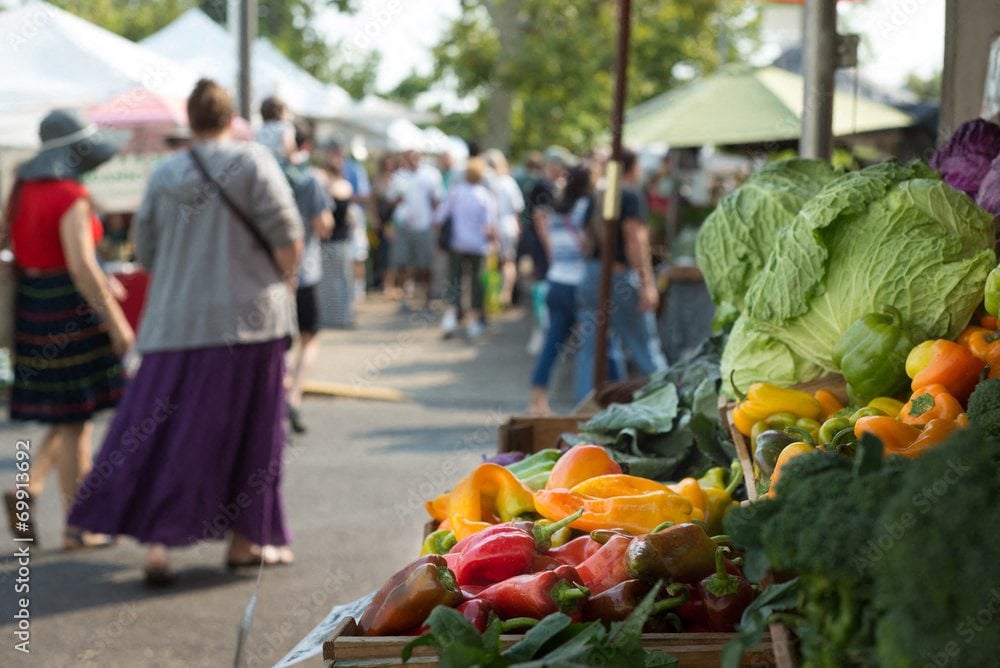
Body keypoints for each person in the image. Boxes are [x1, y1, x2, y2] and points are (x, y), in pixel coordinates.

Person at [67, 79, 303, 585]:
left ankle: (159, 545)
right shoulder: (254, 161)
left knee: (164, 435)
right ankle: (245, 542)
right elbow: (288, 235)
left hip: (175, 323)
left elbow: (147, 251)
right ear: (231, 117)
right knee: (253, 436)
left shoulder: (165, 172)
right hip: (251, 322)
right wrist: (280, 281)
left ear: (189, 121)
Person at [3, 109, 134, 550]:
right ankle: (79, 527)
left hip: (33, 307)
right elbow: (80, 265)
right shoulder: (71, 196)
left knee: (66, 416)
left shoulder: (20, 190)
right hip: (69, 311)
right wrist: (117, 324)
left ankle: (30, 489)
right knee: (77, 422)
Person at [574, 148, 667, 403]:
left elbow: (585, 240)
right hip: (619, 276)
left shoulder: (597, 195)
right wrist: (647, 282)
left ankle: (584, 412)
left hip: (591, 274)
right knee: (644, 347)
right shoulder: (630, 194)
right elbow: (634, 240)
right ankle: (669, 402)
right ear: (633, 167)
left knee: (591, 352)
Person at [526, 164, 594, 416]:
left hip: (556, 280)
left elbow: (545, 233)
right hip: (579, 283)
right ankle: (588, 403)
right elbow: (588, 244)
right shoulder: (585, 207)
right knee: (591, 347)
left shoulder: (555, 209)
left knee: (551, 344)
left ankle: (537, 401)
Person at [282, 123, 334, 435]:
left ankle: (278, 395)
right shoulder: (311, 179)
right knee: (309, 338)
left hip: (274, 273)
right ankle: (294, 396)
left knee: (281, 342)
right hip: (305, 272)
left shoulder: (269, 173)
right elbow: (323, 225)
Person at [435, 156, 498, 340]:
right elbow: (489, 225)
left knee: (454, 279)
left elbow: (439, 216)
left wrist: (440, 236)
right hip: (478, 245)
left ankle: (451, 317)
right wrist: (494, 241)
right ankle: (474, 321)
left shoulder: (456, 191)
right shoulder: (484, 195)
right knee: (476, 282)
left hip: (457, 243)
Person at [388, 149, 443, 312]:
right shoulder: (398, 176)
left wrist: (436, 225)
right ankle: (404, 299)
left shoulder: (431, 175)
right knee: (402, 263)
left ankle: (427, 299)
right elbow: (391, 199)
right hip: (403, 226)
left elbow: (437, 200)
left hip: (424, 226)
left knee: (425, 265)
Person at [317, 152, 356, 328]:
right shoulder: (343, 185)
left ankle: (336, 317)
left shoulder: (330, 188)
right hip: (341, 240)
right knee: (341, 279)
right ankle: (341, 316)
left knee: (333, 281)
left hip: (333, 240)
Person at [483, 149, 525, 309]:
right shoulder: (508, 182)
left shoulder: (487, 182)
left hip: (491, 227)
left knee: (491, 264)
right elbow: (517, 207)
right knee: (508, 262)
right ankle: (505, 294)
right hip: (508, 226)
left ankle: (491, 296)